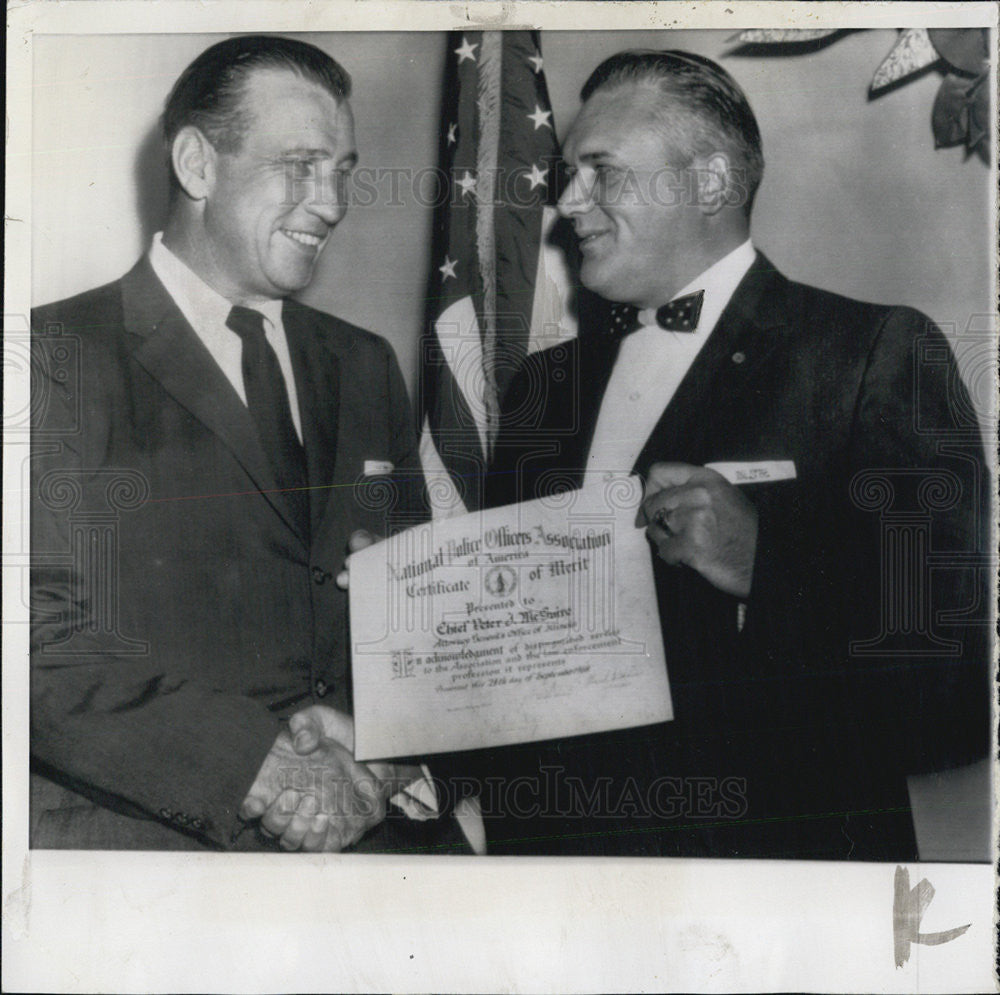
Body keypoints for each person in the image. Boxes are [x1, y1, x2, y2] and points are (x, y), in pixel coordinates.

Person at [481, 50, 990, 859]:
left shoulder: (872, 354)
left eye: (600, 171)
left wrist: (766, 563)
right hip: (557, 893)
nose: (566, 203)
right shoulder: (543, 388)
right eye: (567, 173)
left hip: (773, 893)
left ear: (711, 184)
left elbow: (956, 687)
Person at [30, 35, 464, 853]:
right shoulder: (50, 359)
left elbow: (420, 611)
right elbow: (33, 642)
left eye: (343, 170)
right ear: (197, 165)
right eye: (300, 164)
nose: (331, 202)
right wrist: (260, 769)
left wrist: (379, 736)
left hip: (366, 842)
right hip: (147, 859)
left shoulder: (365, 363)